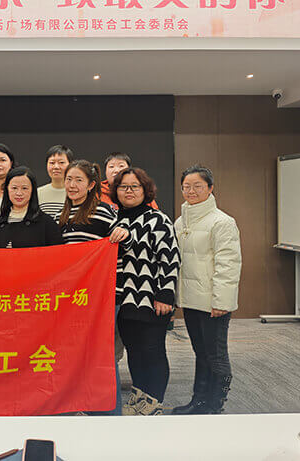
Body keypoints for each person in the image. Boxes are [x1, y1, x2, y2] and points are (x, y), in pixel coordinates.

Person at [56, 159, 131, 416]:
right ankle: (84, 407)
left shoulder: (103, 211)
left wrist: (123, 232)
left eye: (78, 180)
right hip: (76, 299)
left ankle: (110, 414)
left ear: (90, 185)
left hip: (104, 297)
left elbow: (121, 242)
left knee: (103, 357)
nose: (72, 185)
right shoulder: (61, 216)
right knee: (78, 355)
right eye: (69, 179)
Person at [111, 167, 180, 416]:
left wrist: (165, 294)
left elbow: (170, 258)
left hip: (152, 299)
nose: (128, 191)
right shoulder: (116, 220)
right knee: (134, 351)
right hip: (124, 300)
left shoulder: (158, 219)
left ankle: (154, 402)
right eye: (123, 187)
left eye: (135, 186)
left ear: (145, 190)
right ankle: (138, 396)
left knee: (152, 350)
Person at [172, 165, 241, 415]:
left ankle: (215, 405)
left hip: (213, 302)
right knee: (200, 353)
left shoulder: (222, 222)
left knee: (216, 355)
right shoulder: (181, 221)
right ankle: (198, 401)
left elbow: (228, 264)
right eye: (186, 187)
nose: (191, 191)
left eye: (197, 186)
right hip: (192, 300)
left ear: (210, 188)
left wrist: (221, 301)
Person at [0, 166, 63, 248]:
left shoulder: (47, 223)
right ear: (7, 189)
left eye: (24, 188)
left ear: (32, 190)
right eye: (14, 188)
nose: (19, 193)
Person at [38, 144, 74, 218]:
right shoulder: (37, 193)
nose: (56, 167)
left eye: (61, 162)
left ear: (70, 165)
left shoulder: (76, 192)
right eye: (52, 163)